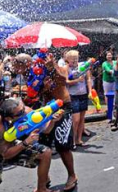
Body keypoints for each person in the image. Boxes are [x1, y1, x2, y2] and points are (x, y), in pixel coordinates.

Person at [0, 98, 61, 192]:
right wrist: (26, 142)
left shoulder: (26, 111)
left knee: (45, 153)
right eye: (20, 113)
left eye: (23, 109)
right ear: (8, 118)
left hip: (10, 145)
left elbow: (46, 130)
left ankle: (42, 189)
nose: (24, 113)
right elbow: (6, 155)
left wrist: (53, 120)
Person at [41, 52, 78, 192]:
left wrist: (53, 67)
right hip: (46, 109)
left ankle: (72, 175)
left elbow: (64, 79)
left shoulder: (63, 66)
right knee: (43, 145)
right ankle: (44, 178)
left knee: (62, 144)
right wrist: (43, 87)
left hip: (63, 107)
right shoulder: (39, 68)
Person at [65, 50, 92, 149]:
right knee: (75, 119)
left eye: (76, 58)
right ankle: (72, 140)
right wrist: (77, 80)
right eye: (73, 59)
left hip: (83, 94)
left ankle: (78, 139)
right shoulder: (67, 68)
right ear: (68, 60)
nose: (75, 61)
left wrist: (90, 91)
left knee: (81, 119)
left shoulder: (83, 66)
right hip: (73, 95)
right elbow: (66, 81)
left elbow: (88, 79)